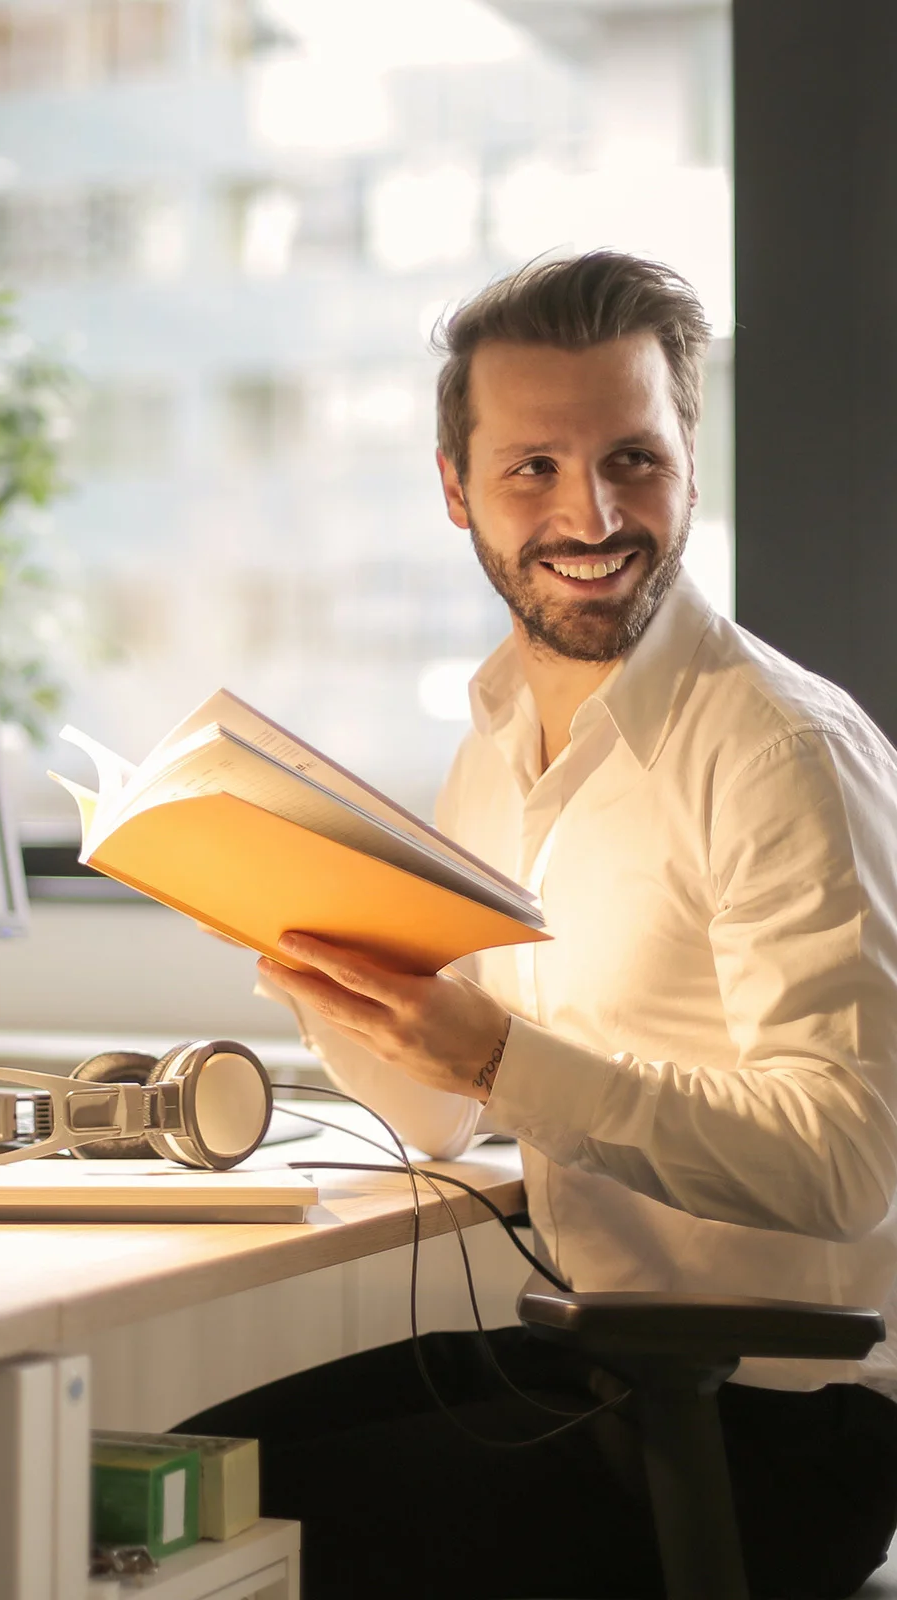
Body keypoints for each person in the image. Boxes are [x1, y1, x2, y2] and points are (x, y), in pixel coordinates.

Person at [182, 251, 897, 1599]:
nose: (592, 511)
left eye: (633, 458)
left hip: (781, 1429)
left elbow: (847, 1162)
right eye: (534, 468)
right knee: (169, 1474)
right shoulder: (503, 733)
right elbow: (442, 1121)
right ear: (455, 490)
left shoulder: (778, 747)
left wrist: (501, 1055)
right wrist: (318, 968)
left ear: (690, 459)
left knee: (195, 1547)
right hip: (599, 1365)